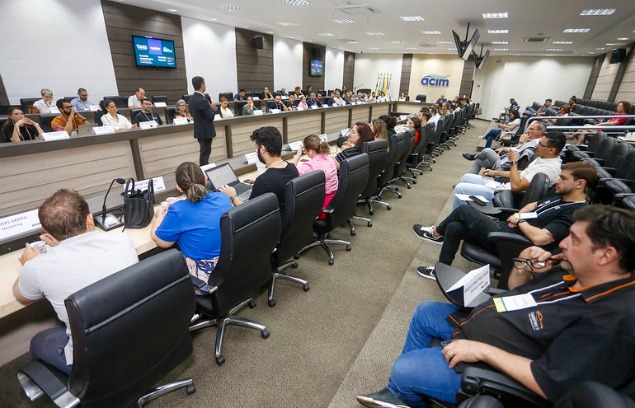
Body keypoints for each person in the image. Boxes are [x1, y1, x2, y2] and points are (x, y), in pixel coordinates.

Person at [358, 205, 635, 408]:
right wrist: (522, 262)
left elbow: (551, 383)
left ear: (606, 255)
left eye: (574, 239)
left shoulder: (612, 319)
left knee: (404, 370)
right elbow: (515, 290)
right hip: (481, 324)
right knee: (424, 313)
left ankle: (405, 389)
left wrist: (483, 351)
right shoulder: (571, 269)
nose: (562, 242)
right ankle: (402, 395)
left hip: (499, 366)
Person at [12, 189, 138, 374]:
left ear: (46, 231)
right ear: (89, 219)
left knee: (38, 341)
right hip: (140, 334)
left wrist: (29, 264)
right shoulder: (123, 241)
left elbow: (21, 295)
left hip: (96, 361)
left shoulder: (38, 268)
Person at [414, 162, 597, 279]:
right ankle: (440, 271)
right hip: (509, 229)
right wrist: (518, 215)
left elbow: (541, 238)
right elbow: (531, 205)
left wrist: (519, 222)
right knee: (455, 226)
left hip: (515, 244)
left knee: (464, 210)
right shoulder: (560, 196)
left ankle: (437, 233)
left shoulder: (575, 213)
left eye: (563, 178)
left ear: (580, 184)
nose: (557, 181)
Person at [151, 162, 233, 283]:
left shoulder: (178, 210)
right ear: (206, 179)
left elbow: (162, 242)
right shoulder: (222, 198)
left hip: (206, 277)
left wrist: (159, 217)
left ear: (178, 187)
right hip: (233, 264)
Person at [452, 131, 565, 209]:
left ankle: (449, 230)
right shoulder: (543, 158)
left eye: (540, 144)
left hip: (507, 195)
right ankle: (462, 214)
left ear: (551, 150)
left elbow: (517, 187)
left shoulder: (549, 168)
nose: (536, 146)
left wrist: (513, 162)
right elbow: (521, 173)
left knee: (461, 189)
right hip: (504, 187)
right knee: (467, 177)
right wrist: (495, 172)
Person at [219, 126, 299, 214]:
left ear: (263, 149)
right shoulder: (292, 168)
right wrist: (258, 185)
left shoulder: (263, 181)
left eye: (256, 148)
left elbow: (247, 212)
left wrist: (233, 196)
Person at [463, 121, 546, 174]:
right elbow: (517, 150)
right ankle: (466, 182)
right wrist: (503, 148)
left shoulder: (536, 145)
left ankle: (474, 156)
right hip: (505, 160)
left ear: (539, 132)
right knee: (478, 161)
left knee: (487, 150)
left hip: (506, 166)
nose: (528, 131)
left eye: (531, 129)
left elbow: (517, 155)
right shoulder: (531, 140)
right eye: (528, 128)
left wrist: (521, 142)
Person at [291, 134, 339, 217]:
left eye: (305, 150)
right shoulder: (329, 158)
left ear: (310, 151)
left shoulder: (309, 167)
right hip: (334, 201)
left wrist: (298, 156)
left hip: (322, 207)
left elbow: (289, 170)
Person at [189, 76, 217, 166]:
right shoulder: (203, 100)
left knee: (204, 152)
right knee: (205, 153)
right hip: (206, 131)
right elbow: (210, 116)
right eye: (204, 84)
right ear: (202, 85)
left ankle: (205, 169)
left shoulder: (192, 99)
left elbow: (192, 113)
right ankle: (204, 171)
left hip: (199, 130)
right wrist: (211, 108)